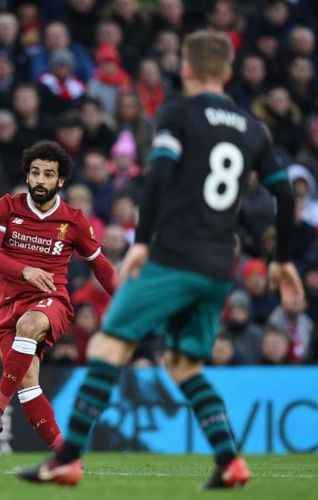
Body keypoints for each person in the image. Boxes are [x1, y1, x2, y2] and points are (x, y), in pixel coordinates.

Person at [18, 30, 303, 490]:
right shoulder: (253, 128)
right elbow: (285, 195)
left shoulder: (178, 113)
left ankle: (66, 460)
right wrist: (284, 258)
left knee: (110, 346)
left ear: (186, 68)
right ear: (228, 72)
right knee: (184, 364)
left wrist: (143, 241)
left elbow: (158, 177)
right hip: (218, 267)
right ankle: (230, 461)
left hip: (175, 256)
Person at [0, 141, 116, 452]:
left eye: (49, 175)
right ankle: (65, 456)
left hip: (51, 301)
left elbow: (101, 266)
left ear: (60, 181)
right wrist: (25, 270)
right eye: (35, 173)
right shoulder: (5, 207)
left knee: (30, 324)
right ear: (27, 174)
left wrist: (125, 303)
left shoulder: (74, 220)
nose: (40, 180)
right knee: (27, 384)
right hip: (6, 309)